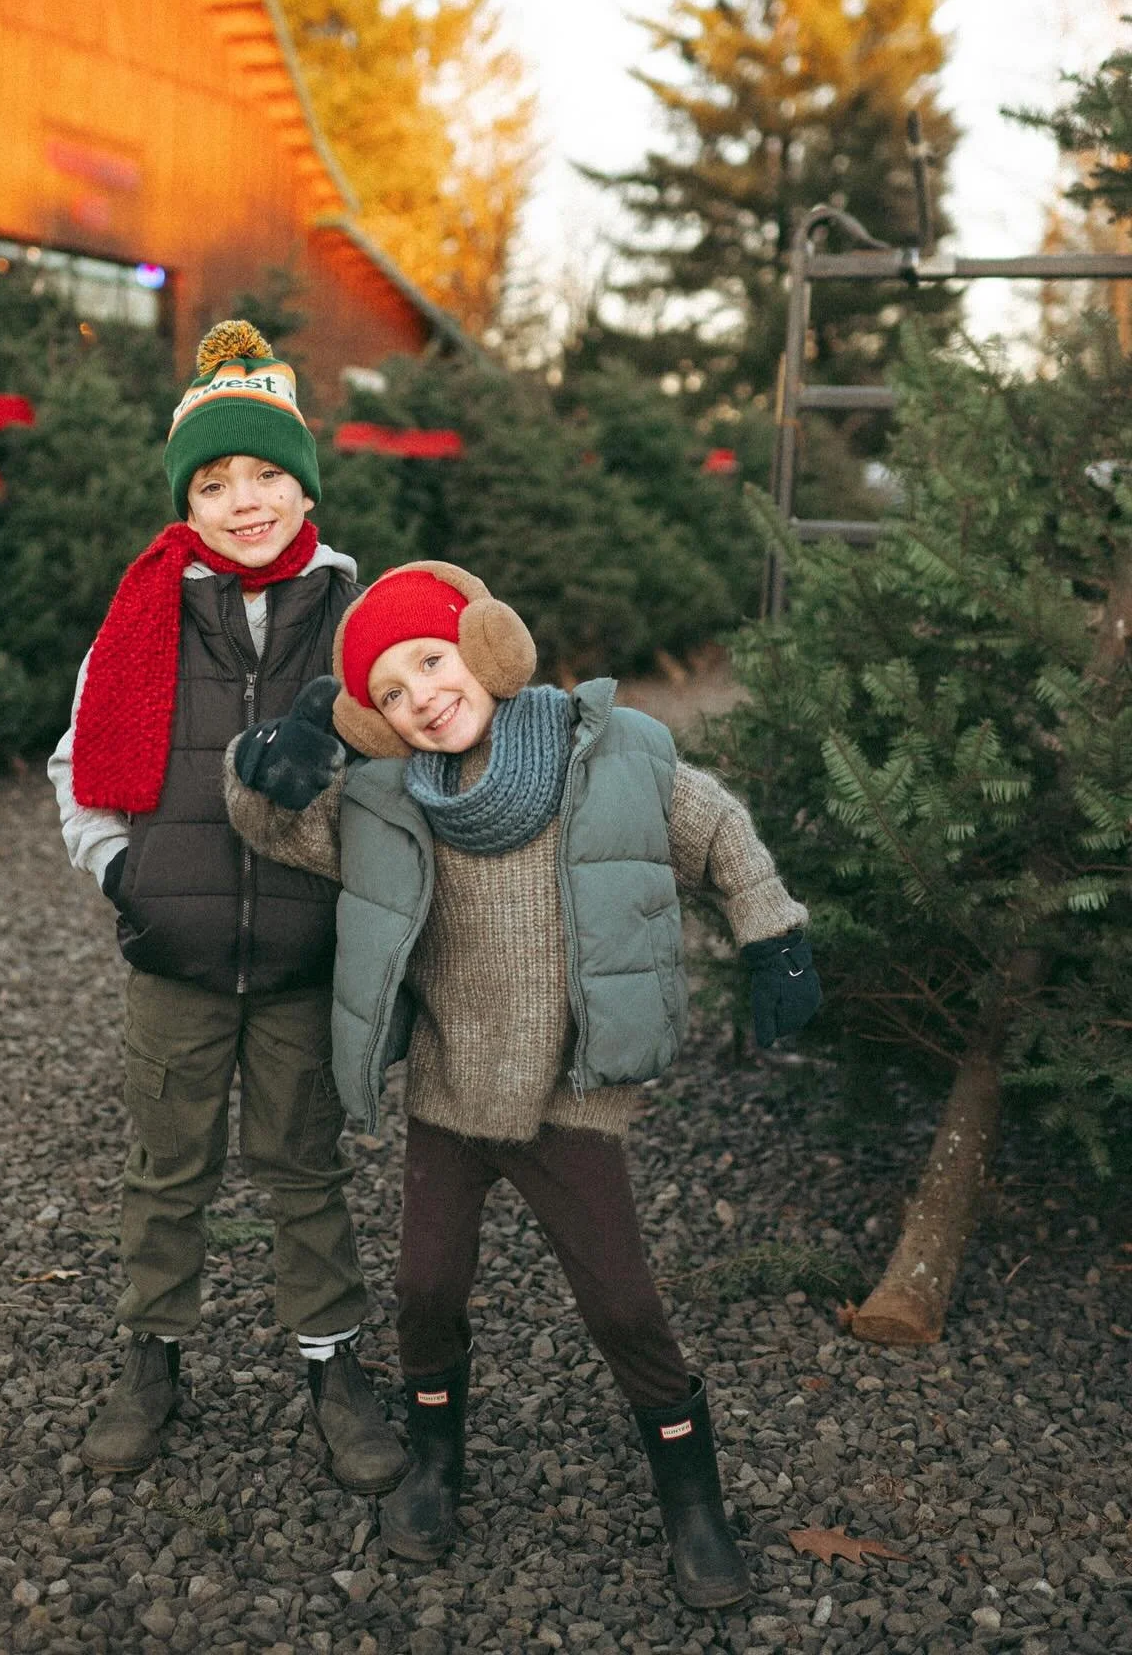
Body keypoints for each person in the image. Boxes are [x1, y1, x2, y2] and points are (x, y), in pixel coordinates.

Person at [223, 561, 822, 1607]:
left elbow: (717, 824)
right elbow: (272, 822)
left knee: (625, 1305)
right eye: (392, 695)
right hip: (452, 1097)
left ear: (488, 647)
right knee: (426, 1289)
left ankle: (693, 1499)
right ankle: (438, 1460)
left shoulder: (608, 760)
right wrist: (267, 759)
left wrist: (774, 933)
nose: (423, 698)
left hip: (567, 1095)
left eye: (432, 662)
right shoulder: (384, 802)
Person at [47, 321, 404, 1495]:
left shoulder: (357, 617)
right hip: (177, 957)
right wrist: (121, 873)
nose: (244, 501)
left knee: (304, 1169)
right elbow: (75, 762)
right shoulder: (147, 614)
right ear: (186, 502)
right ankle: (152, 1359)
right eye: (214, 482)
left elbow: (406, 771)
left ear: (302, 482)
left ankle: (332, 1366)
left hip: (305, 957)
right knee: (166, 1168)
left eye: (264, 474)